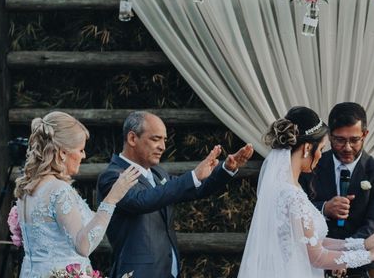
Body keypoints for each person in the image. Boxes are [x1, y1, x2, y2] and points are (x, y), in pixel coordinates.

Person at [238, 106, 374, 278]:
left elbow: (312, 241)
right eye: (320, 148)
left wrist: (361, 244)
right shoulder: (291, 194)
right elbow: (317, 256)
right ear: (306, 149)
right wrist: (370, 255)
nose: (320, 155)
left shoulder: (288, 188)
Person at [97, 111, 254, 278]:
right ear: (132, 139)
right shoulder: (113, 176)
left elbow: (194, 189)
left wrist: (226, 169)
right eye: (155, 139)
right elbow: (141, 201)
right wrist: (193, 175)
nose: (163, 147)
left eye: (164, 140)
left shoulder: (158, 174)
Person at [14, 111, 141, 277]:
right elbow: (83, 246)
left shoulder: (27, 189)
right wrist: (112, 198)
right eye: (80, 150)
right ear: (63, 153)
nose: (84, 155)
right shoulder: (59, 190)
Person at [299, 102, 374, 277]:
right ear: (329, 136)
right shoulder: (310, 166)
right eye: (340, 140)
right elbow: (297, 212)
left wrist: (344, 257)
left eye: (354, 140)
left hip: (367, 268)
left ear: (365, 134)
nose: (347, 147)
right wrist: (324, 208)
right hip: (317, 267)